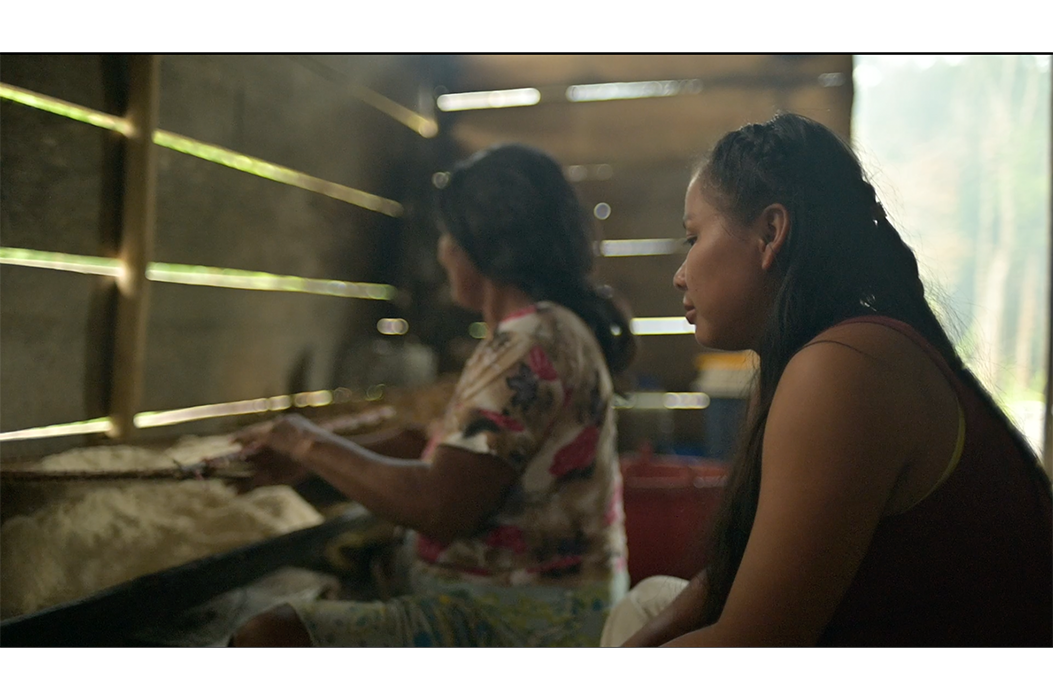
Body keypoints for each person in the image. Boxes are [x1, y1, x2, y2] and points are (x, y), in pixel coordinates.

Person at [602, 113, 1052, 647]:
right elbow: (741, 573)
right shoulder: (824, 357)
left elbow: (756, 644)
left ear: (771, 232)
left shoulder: (844, 369)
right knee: (649, 603)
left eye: (692, 238)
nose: (681, 273)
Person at [231, 143, 635, 647]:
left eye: (448, 235)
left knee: (269, 639)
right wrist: (309, 464)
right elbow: (439, 451)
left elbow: (442, 505)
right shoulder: (543, 330)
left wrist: (306, 443)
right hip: (546, 607)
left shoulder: (531, 342)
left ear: (477, 246)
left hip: (518, 625)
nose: (442, 251)